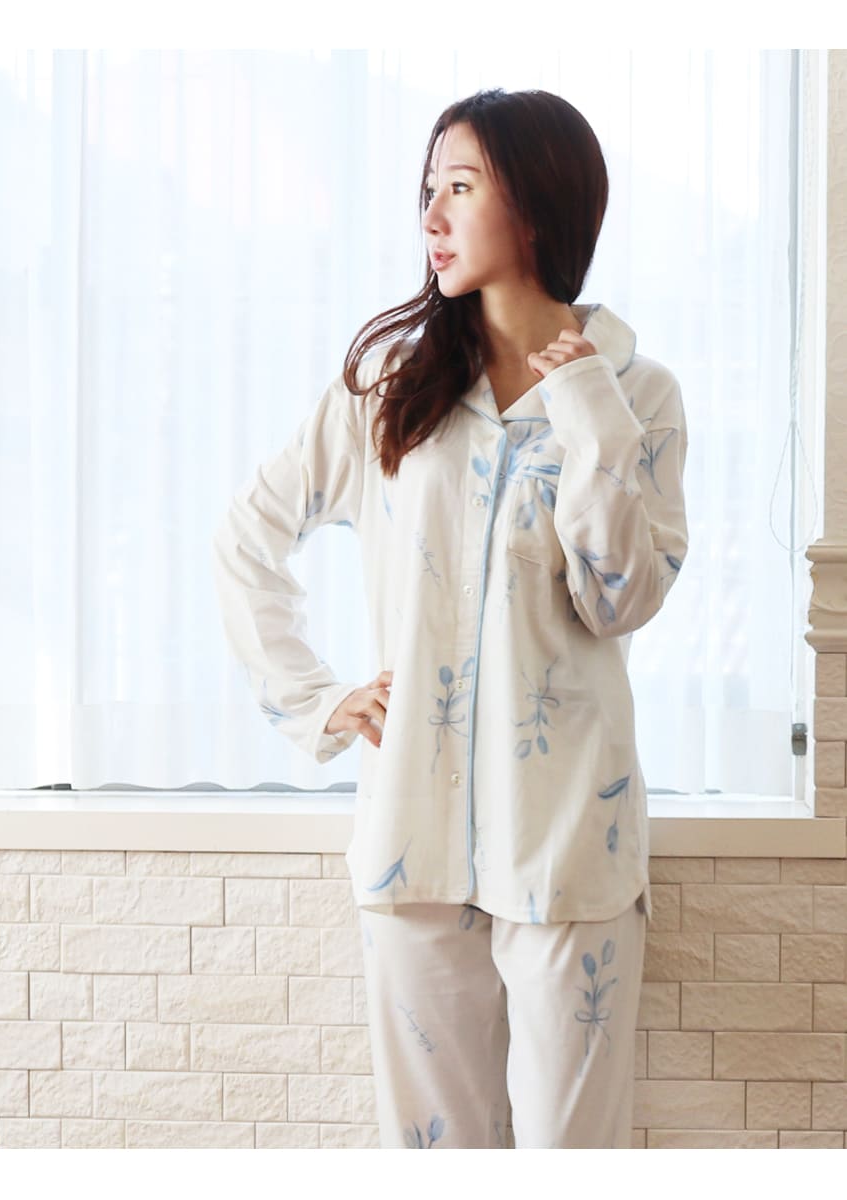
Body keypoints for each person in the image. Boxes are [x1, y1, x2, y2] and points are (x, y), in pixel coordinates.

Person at [212, 87, 688, 1149]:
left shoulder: (638, 394)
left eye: (460, 188)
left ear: (538, 206)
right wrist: (318, 698)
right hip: (413, 842)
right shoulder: (391, 383)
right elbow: (247, 537)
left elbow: (619, 598)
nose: (430, 215)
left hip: (568, 845)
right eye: (428, 188)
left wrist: (590, 410)